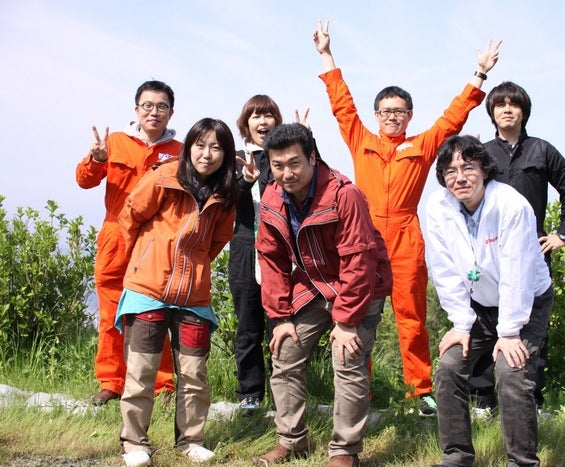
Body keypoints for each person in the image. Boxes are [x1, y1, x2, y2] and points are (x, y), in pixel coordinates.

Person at [312, 20, 501, 416]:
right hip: (362, 237)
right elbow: (341, 104)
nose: (392, 117)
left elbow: (452, 119)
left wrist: (480, 73)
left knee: (411, 318)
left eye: (399, 111)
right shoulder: (361, 139)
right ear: (376, 114)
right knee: (358, 314)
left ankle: (421, 391)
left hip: (404, 236)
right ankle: (358, 391)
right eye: (386, 111)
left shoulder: (422, 145)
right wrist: (327, 55)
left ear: (410, 115)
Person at [253, 123, 392, 467]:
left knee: (347, 356)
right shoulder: (272, 197)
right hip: (314, 285)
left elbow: (359, 259)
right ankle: (292, 440)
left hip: (360, 286)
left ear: (312, 158)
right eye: (278, 165)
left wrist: (346, 322)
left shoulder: (345, 194)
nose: (287, 173)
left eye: (294, 163)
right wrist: (280, 317)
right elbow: (270, 258)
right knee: (285, 350)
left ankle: (345, 450)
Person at [116, 118, 239, 467]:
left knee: (194, 373)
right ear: (189, 147)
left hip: (194, 298)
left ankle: (191, 440)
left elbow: (218, 240)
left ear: (226, 154)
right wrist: (145, 258)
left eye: (216, 148)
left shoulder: (225, 194)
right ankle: (133, 443)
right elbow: (130, 217)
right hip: (147, 289)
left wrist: (196, 266)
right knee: (141, 371)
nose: (207, 154)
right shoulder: (164, 177)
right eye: (200, 145)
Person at [425, 135, 554, 467]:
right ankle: (457, 456)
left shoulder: (510, 205)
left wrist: (509, 332)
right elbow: (443, 269)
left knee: (510, 370)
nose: (460, 177)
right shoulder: (437, 208)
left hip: (527, 301)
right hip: (479, 304)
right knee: (449, 367)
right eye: (450, 171)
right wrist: (460, 323)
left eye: (468, 167)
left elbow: (517, 272)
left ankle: (521, 462)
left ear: (484, 170)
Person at [467, 81, 565, 412]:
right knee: (484, 324)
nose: (507, 109)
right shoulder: (483, 153)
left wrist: (562, 234)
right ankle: (483, 401)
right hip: (488, 254)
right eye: (500, 104)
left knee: (532, 329)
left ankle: (531, 400)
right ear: (492, 112)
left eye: (514, 104)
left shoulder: (541, 150)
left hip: (531, 254)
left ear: (524, 111)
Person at [75, 80, 178, 405]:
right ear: (136, 109)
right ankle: (111, 382)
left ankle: (162, 385)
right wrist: (96, 159)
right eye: (147, 105)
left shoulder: (179, 151)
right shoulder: (115, 142)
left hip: (155, 244)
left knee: (156, 314)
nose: (154, 112)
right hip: (115, 240)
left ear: (171, 112)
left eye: (161, 106)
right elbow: (84, 181)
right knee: (109, 315)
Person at [227, 94, 283, 411]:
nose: (263, 121)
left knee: (281, 324)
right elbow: (226, 200)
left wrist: (309, 143)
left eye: (268, 115)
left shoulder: (285, 156)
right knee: (248, 325)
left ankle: (283, 393)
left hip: (281, 251)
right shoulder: (235, 158)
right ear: (246, 123)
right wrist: (246, 180)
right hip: (245, 246)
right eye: (256, 116)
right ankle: (250, 394)